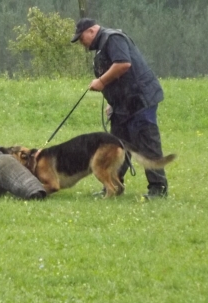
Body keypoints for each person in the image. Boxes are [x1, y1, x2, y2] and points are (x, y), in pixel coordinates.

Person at [71, 18, 170, 199]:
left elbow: (123, 64)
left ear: (91, 31)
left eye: (81, 38)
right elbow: (120, 80)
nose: (81, 43)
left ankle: (158, 189)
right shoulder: (103, 45)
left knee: (148, 145)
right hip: (123, 104)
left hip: (140, 100)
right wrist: (112, 103)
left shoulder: (112, 39)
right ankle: (113, 186)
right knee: (116, 146)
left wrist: (101, 81)